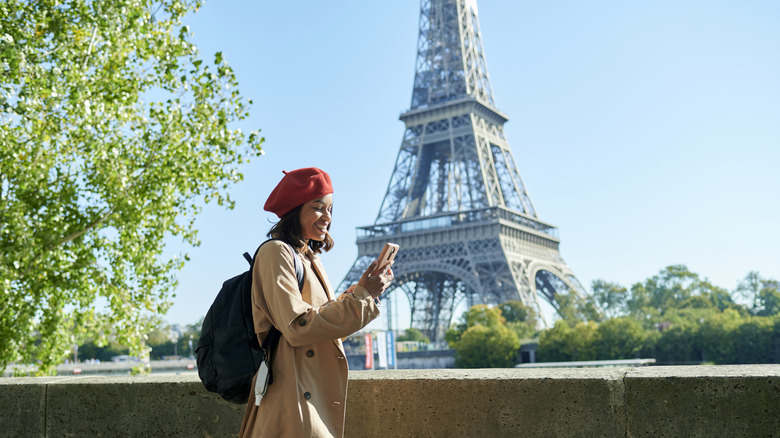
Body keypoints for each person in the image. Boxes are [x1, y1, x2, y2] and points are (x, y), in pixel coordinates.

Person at [239, 167, 393, 438]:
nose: (328, 217)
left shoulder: (310, 259)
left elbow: (328, 330)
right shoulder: (275, 253)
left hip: (312, 395)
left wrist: (363, 292)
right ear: (294, 210)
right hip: (294, 398)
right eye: (318, 208)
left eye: (331, 209)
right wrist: (360, 298)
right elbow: (298, 327)